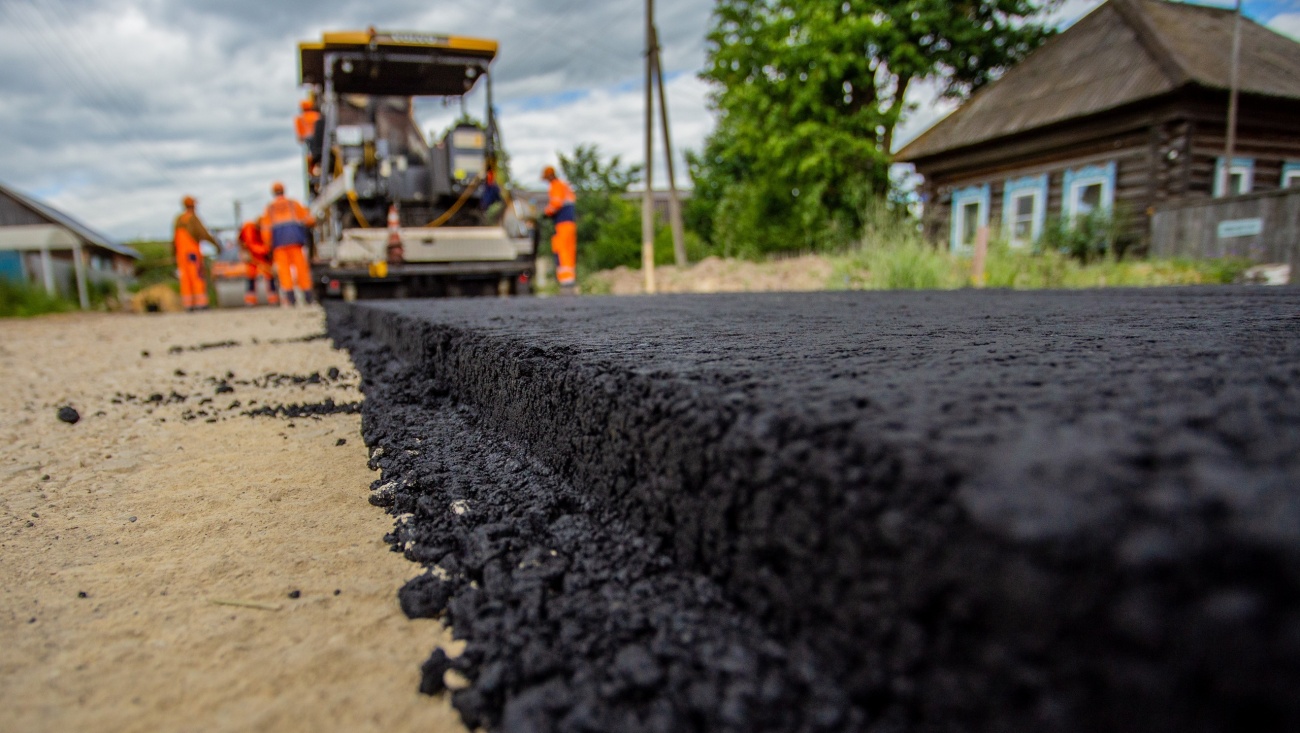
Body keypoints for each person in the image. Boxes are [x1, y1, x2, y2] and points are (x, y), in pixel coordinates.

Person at [261, 182, 317, 306]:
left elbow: (265, 229)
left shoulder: (270, 208)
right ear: (283, 190)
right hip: (295, 241)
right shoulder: (293, 204)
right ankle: (308, 297)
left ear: (273, 193)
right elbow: (309, 220)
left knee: (284, 272)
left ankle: (291, 299)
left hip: (279, 245)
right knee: (301, 269)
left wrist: (267, 246)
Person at [172, 195, 218, 311]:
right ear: (193, 205)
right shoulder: (193, 218)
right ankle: (201, 303)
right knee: (197, 276)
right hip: (192, 254)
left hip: (181, 255)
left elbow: (173, 240)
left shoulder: (179, 219)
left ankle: (189, 305)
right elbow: (204, 233)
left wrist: (174, 254)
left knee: (185, 279)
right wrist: (216, 245)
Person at [541, 166, 577, 293]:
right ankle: (569, 279)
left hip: (562, 223)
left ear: (550, 176)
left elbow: (556, 203)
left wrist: (546, 212)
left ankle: (565, 280)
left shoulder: (556, 186)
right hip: (569, 223)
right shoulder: (564, 185)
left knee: (562, 250)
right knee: (568, 249)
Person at [237, 218, 279, 306]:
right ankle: (250, 301)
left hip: (264, 257)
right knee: (251, 276)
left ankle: (273, 299)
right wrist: (245, 252)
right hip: (252, 256)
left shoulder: (267, 230)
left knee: (270, 276)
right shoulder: (248, 227)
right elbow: (248, 243)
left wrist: (270, 255)